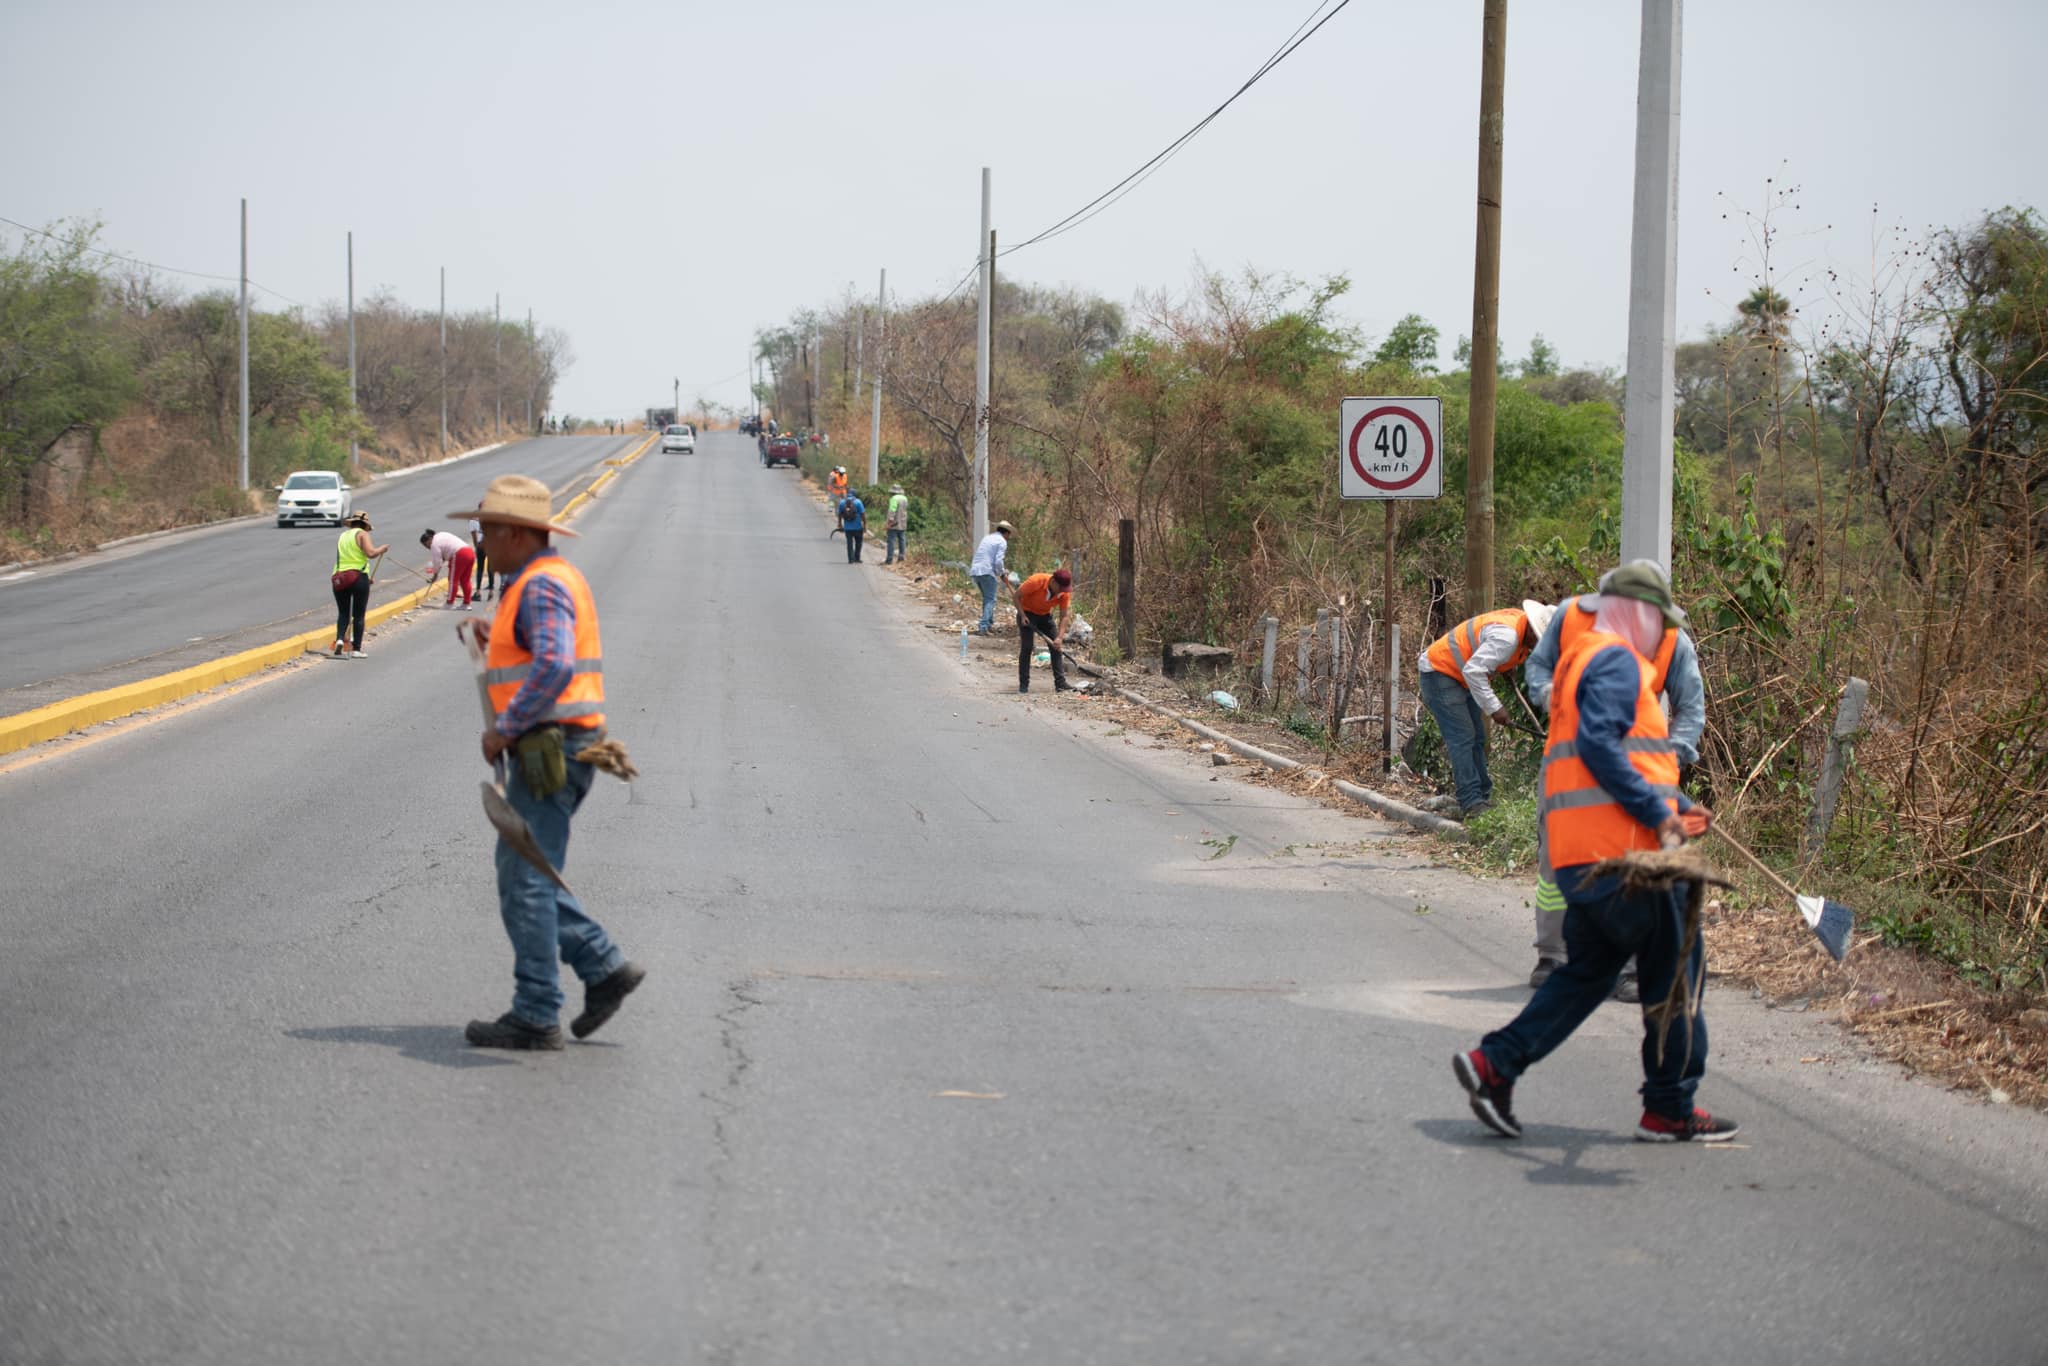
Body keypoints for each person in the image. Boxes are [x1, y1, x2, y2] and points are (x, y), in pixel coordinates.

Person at [1452, 561, 1736, 1144]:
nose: (1664, 635)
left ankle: (1495, 1063)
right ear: (1640, 614)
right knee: (1679, 975)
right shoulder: (1616, 662)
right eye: (1661, 620)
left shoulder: (1581, 663)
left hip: (1588, 857)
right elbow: (1602, 747)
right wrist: (1659, 815)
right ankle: (1670, 1106)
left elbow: (1612, 758)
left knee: (1586, 974)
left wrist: (1674, 800)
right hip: (1630, 861)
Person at [453, 475, 645, 1051]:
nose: (481, 541)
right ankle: (602, 967)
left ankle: (537, 1011)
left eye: (486, 531)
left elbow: (556, 664)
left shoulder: (539, 586)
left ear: (514, 532)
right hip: (559, 743)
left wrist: (505, 730)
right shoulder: (537, 583)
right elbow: (541, 652)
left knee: (527, 883)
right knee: (527, 873)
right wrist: (498, 636)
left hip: (548, 744)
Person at [1523, 560, 1707, 993]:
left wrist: (1667, 762)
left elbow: (1691, 710)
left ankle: (1628, 967)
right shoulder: (1571, 617)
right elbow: (1538, 670)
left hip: (1634, 774)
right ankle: (1553, 956)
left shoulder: (1672, 640)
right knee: (1559, 858)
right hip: (1569, 770)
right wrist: (1555, 695)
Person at [1416, 600, 1556, 819]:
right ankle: (1471, 802)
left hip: (1459, 674)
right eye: (1538, 641)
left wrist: (1506, 665)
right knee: (1463, 738)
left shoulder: (1518, 628)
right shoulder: (1507, 637)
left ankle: (1481, 796)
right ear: (1531, 628)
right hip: (1440, 672)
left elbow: (1487, 656)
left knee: (1477, 738)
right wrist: (1495, 708)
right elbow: (1474, 671)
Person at [330, 512, 387, 659]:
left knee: (343, 613)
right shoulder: (362, 534)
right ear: (364, 525)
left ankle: (340, 640)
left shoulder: (343, 536)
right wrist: (382, 549)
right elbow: (370, 553)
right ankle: (356, 649)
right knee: (358, 615)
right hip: (358, 577)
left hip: (340, 577)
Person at [1015, 568, 1076, 694]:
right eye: (1060, 589)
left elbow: (1064, 616)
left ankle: (1060, 683)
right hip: (1027, 613)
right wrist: (1022, 615)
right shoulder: (1036, 581)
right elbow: (1016, 596)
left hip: (1044, 616)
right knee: (1027, 647)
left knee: (1056, 647)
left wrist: (1059, 637)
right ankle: (1023, 684)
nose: (1062, 592)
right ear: (1053, 582)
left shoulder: (1064, 592)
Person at [968, 521, 1014, 633]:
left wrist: (1001, 572)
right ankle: (983, 627)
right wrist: (1002, 573)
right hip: (986, 571)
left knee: (987, 599)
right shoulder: (1002, 541)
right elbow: (998, 561)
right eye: (1009, 535)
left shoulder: (988, 538)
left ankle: (988, 624)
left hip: (976, 570)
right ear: (1007, 533)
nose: (1009, 537)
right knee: (991, 599)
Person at [421, 527, 476, 609]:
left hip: (459, 555)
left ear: (429, 539)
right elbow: (444, 555)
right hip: (469, 552)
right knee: (465, 580)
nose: (427, 548)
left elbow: (437, 562)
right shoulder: (441, 535)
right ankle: (466, 604)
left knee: (453, 580)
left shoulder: (434, 544)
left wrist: (435, 575)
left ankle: (449, 603)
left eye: (426, 545)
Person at [469, 516, 495, 600]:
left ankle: (478, 592)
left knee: (480, 568)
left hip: (481, 545)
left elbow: (474, 535)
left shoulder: (473, 520)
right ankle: (491, 591)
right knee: (490, 568)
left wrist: (476, 546)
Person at [838, 488, 866, 562]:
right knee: (858, 543)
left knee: (849, 543)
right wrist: (865, 525)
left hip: (847, 528)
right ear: (855, 494)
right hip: (858, 527)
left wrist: (840, 524)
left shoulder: (842, 502)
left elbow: (840, 514)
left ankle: (850, 559)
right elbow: (863, 514)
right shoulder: (858, 502)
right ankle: (857, 558)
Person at [883, 484, 909, 564]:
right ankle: (901, 557)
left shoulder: (893, 499)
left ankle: (889, 559)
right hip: (903, 522)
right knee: (902, 539)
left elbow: (892, 511)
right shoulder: (905, 498)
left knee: (891, 541)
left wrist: (889, 523)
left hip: (894, 524)